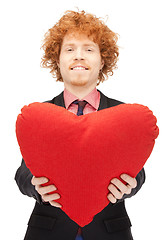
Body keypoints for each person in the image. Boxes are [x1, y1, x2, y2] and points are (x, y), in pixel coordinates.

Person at [15, 10, 145, 240]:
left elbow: (138, 170)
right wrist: (35, 186)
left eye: (89, 49)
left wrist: (131, 186)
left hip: (109, 231)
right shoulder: (40, 115)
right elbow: (24, 171)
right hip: (48, 230)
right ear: (57, 60)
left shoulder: (123, 114)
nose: (79, 56)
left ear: (102, 59)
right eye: (70, 49)